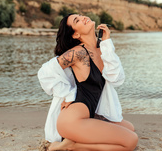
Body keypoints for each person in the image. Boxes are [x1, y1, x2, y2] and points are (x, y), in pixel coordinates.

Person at [38, 13, 138, 151]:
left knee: (130, 128)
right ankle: (70, 145)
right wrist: (67, 95)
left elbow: (116, 78)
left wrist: (107, 42)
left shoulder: (102, 49)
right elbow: (45, 72)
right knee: (131, 141)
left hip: (90, 114)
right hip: (73, 120)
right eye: (76, 20)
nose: (83, 17)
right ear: (75, 35)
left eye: (81, 15)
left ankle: (74, 143)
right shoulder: (79, 53)